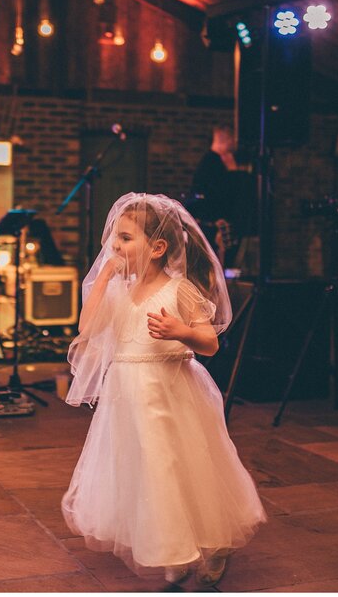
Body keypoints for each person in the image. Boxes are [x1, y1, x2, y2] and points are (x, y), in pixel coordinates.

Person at [61, 193, 266, 587]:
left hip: (168, 394)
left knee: (175, 468)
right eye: (114, 239)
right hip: (126, 398)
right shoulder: (119, 291)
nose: (115, 247)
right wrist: (103, 277)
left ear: (157, 247)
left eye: (125, 238)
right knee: (144, 473)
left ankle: (210, 541)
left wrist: (182, 332)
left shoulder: (179, 291)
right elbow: (87, 329)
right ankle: (172, 547)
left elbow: (209, 343)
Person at [187, 125, 255, 268]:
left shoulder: (207, 162)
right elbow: (228, 196)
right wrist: (235, 172)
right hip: (216, 229)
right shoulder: (216, 164)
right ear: (228, 140)